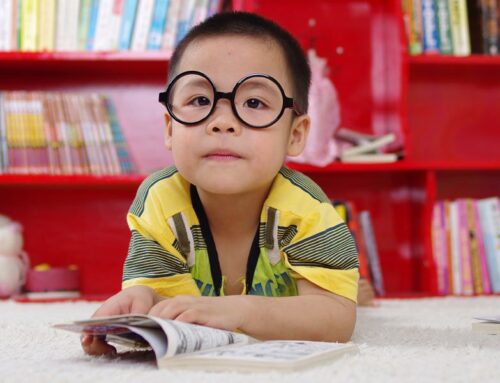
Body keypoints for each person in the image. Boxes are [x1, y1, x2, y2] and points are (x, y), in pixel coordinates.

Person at [82, 11, 360, 356]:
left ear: (296, 134)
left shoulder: (308, 209)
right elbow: (168, 300)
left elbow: (337, 318)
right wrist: (143, 301)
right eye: (200, 100)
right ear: (170, 128)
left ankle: (359, 286)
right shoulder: (159, 200)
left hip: (296, 297)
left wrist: (239, 310)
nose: (223, 122)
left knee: (352, 293)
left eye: (254, 102)